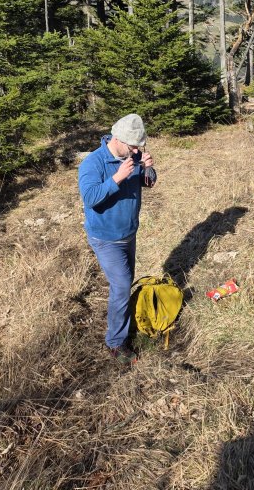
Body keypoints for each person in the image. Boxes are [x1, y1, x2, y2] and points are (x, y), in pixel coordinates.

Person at [78, 113, 157, 363]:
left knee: (125, 282)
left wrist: (148, 169)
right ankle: (115, 342)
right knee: (122, 285)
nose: (136, 151)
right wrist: (117, 178)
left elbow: (148, 182)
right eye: (132, 146)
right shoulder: (93, 163)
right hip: (105, 238)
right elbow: (90, 197)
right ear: (117, 139)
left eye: (138, 147)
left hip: (128, 233)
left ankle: (123, 319)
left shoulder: (133, 156)